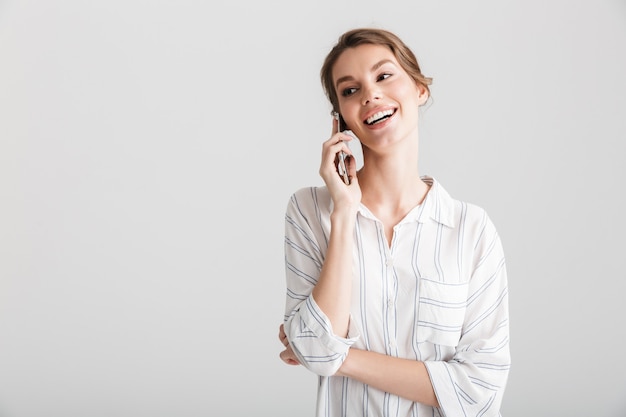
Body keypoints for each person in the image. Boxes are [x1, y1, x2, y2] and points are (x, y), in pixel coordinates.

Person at [278, 27, 510, 416]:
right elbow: (313, 349)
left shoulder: (471, 229)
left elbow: (480, 389)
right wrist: (344, 210)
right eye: (350, 90)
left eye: (384, 76)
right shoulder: (310, 212)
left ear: (420, 89)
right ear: (342, 120)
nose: (370, 94)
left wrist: (338, 357)